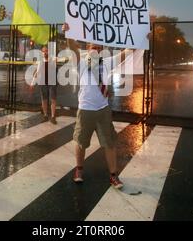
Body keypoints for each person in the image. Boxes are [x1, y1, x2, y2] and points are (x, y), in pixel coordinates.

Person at [62, 23, 151, 189]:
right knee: (81, 142)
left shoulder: (107, 62)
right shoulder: (81, 63)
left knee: (109, 144)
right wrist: (68, 33)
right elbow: (72, 48)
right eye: (92, 46)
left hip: (103, 110)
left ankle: (113, 176)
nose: (95, 48)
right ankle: (79, 170)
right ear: (88, 49)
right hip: (85, 110)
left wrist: (140, 39)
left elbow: (126, 53)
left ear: (101, 49)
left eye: (98, 46)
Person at [30, 46, 58, 124]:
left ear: (49, 52)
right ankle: (45, 115)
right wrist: (32, 83)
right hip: (43, 82)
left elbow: (59, 60)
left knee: (53, 99)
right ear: (42, 52)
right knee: (44, 99)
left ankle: (53, 117)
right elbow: (37, 72)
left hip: (52, 82)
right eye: (43, 51)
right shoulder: (40, 61)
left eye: (46, 51)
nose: (45, 52)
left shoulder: (53, 59)